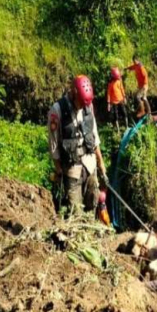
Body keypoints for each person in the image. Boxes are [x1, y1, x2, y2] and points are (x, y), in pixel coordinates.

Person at [48, 75, 108, 215]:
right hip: (71, 170)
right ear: (74, 93)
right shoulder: (57, 110)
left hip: (90, 165)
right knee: (75, 212)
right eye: (81, 103)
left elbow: (94, 137)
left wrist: (101, 165)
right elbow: (53, 143)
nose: (83, 106)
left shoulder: (89, 106)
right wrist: (58, 169)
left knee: (92, 205)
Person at [107, 67, 128, 132]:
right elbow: (109, 94)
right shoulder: (110, 84)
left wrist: (124, 98)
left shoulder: (119, 81)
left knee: (124, 113)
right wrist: (109, 104)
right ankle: (118, 130)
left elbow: (122, 89)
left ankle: (127, 127)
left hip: (121, 99)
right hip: (114, 102)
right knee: (116, 116)